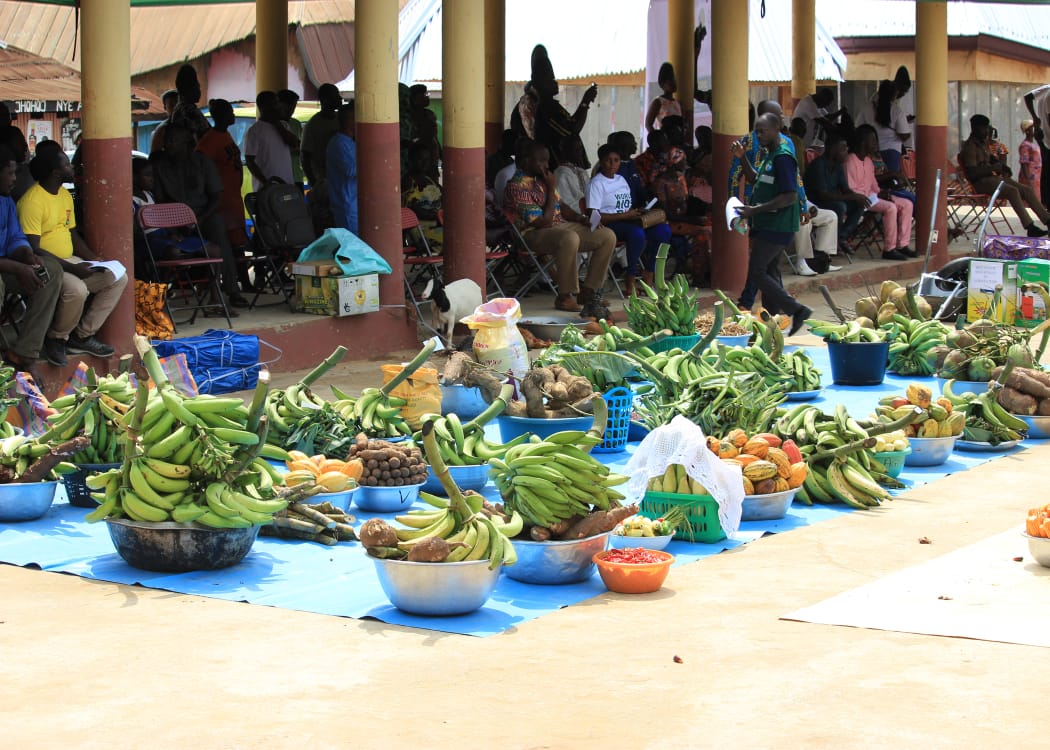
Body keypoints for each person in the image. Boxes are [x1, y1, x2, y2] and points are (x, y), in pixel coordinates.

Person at [17, 149, 126, 366]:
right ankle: (56, 339)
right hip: (47, 264)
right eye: (67, 165)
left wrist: (95, 259)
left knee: (117, 278)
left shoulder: (65, 195)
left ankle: (81, 336)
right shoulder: (32, 201)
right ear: (55, 172)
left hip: (70, 260)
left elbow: (73, 234)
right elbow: (33, 249)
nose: (72, 167)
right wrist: (74, 269)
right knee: (77, 289)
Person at [503, 140, 615, 317]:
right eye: (541, 161)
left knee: (607, 235)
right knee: (569, 237)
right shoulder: (516, 186)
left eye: (547, 161)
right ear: (525, 161)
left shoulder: (542, 181)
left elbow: (562, 207)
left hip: (560, 228)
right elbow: (544, 222)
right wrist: (551, 187)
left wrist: (582, 219)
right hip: (531, 234)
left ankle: (589, 292)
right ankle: (565, 295)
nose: (546, 165)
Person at [730, 113, 811, 333]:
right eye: (756, 130)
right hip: (766, 224)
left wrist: (754, 210)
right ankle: (772, 325)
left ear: (777, 128)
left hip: (778, 226)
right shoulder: (770, 155)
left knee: (757, 272)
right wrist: (742, 157)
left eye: (763, 130)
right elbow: (757, 179)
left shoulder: (783, 157)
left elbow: (789, 196)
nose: (758, 134)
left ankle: (796, 309)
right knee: (771, 272)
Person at [150, 124, 247, 308]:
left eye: (172, 141)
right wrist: (173, 226)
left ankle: (230, 291)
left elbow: (216, 197)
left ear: (186, 142)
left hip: (203, 215)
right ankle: (160, 295)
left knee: (219, 231)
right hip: (173, 219)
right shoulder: (160, 165)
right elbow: (159, 202)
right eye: (166, 141)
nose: (167, 145)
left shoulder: (203, 162)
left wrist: (200, 219)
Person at [0, 144, 63, 385]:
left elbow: (15, 238)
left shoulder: (6, 202)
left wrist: (28, 256)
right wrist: (18, 268)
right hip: (4, 271)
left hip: (10, 267)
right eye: (10, 173)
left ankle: (25, 353)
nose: (15, 179)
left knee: (51, 271)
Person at [587, 143, 672, 298]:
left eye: (616, 160)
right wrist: (624, 216)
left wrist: (639, 212)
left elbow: (627, 206)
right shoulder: (596, 183)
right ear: (601, 161)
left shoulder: (621, 179)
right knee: (637, 234)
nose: (612, 164)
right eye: (608, 160)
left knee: (663, 231)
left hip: (630, 220)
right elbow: (594, 217)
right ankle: (630, 278)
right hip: (610, 224)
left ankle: (649, 274)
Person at [961, 114, 1050, 238]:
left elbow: (990, 158)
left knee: (1026, 190)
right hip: (980, 183)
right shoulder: (970, 147)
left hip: (992, 179)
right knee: (1012, 191)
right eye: (984, 128)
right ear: (975, 128)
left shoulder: (982, 144)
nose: (987, 131)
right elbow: (972, 173)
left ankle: (1047, 221)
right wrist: (992, 169)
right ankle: (1029, 226)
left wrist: (1002, 166)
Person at [844, 124, 915, 260]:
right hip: (859, 199)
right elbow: (852, 189)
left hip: (872, 197)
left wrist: (882, 193)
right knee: (890, 208)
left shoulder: (868, 161)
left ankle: (902, 245)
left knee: (906, 204)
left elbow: (874, 186)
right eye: (873, 141)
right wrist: (876, 195)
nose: (876, 144)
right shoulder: (850, 160)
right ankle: (889, 249)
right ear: (864, 143)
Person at [195, 99, 249, 259]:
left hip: (233, 196)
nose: (232, 115)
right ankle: (240, 280)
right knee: (232, 244)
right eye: (230, 112)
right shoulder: (210, 140)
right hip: (223, 199)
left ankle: (243, 279)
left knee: (238, 242)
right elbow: (201, 163)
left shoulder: (225, 135)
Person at [806, 130, 869, 254]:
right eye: (843, 149)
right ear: (833, 150)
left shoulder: (838, 166)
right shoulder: (818, 165)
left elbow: (845, 189)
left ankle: (841, 237)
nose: (847, 152)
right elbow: (823, 195)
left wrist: (856, 196)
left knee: (859, 204)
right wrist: (852, 197)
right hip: (816, 203)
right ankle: (834, 242)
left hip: (833, 200)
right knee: (840, 207)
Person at [530, 45, 598, 157]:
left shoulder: (551, 105)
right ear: (539, 85)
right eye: (550, 80)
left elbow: (572, 123)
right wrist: (585, 102)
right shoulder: (547, 108)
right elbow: (572, 129)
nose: (555, 83)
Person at [244, 91, 297, 192]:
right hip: (267, 190)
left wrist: (276, 123)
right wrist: (266, 183)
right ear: (265, 107)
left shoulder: (284, 126)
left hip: (287, 186)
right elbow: (250, 161)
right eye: (275, 103)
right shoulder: (254, 131)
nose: (279, 107)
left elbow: (294, 143)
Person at [857, 79, 911, 173]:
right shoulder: (897, 111)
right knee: (890, 181)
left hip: (871, 152)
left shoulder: (867, 108)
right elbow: (904, 135)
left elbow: (858, 128)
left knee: (872, 180)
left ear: (879, 92)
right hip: (892, 152)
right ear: (894, 95)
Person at [402, 142, 443, 252]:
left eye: (427, 159)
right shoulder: (408, 181)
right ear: (411, 160)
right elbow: (410, 208)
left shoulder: (429, 179)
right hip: (419, 229)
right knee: (452, 238)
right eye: (420, 159)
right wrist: (435, 216)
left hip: (437, 224)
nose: (425, 163)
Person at [300, 83, 343, 186]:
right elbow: (305, 157)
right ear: (325, 99)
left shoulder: (341, 119)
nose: (340, 98)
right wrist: (314, 182)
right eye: (335, 95)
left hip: (340, 177)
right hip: (323, 180)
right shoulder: (313, 125)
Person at [326, 102, 358, 234]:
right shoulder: (339, 143)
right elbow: (350, 170)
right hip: (346, 203)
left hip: (353, 202)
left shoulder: (350, 142)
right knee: (353, 244)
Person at [168, 65, 211, 144]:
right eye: (197, 86)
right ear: (188, 89)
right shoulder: (189, 112)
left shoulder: (181, 109)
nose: (199, 91)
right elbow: (206, 140)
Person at [277, 89, 305, 187]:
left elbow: (301, 146)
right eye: (288, 109)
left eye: (293, 108)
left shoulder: (296, 124)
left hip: (296, 177)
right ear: (279, 105)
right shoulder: (271, 125)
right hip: (279, 178)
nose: (291, 111)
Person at [645, 62, 682, 133]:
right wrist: (658, 140)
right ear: (662, 84)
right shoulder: (658, 102)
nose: (674, 82)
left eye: (674, 79)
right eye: (670, 80)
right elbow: (648, 124)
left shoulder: (678, 103)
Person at [149, 89, 180, 154]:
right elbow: (155, 157)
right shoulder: (162, 130)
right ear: (165, 107)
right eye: (171, 105)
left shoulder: (190, 124)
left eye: (177, 104)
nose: (175, 108)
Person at [1019, 119, 1043, 196]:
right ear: (1027, 131)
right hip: (1030, 177)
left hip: (1036, 177)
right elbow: (1024, 163)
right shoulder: (1025, 146)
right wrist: (1028, 180)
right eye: (1032, 127)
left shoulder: (1034, 144)